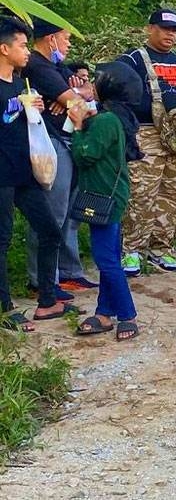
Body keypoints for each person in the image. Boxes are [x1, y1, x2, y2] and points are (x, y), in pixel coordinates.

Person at [0, 16, 77, 331]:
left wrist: (37, 109)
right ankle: (5, 310)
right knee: (2, 240)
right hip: (2, 174)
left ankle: (46, 299)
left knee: (50, 230)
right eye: (20, 45)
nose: (26, 51)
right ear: (3, 49)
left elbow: (22, 120)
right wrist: (16, 106)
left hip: (25, 172)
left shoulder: (21, 82)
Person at [117, 9, 176, 275]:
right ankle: (131, 251)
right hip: (147, 133)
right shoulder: (133, 59)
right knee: (142, 194)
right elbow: (116, 94)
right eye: (164, 28)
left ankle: (161, 249)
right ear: (149, 28)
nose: (170, 34)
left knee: (172, 194)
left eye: (174, 30)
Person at [67, 62, 143, 341]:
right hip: (113, 195)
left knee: (107, 260)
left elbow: (86, 154)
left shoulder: (106, 120)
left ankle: (128, 315)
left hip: (103, 198)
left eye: (94, 81)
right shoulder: (112, 118)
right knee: (109, 253)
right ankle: (103, 312)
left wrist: (77, 128)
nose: (91, 85)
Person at [23, 17, 92, 298]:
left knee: (69, 213)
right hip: (50, 146)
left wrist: (74, 94)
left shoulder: (57, 66)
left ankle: (67, 273)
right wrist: (74, 98)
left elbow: (87, 92)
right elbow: (80, 105)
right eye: (65, 37)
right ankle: (41, 280)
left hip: (66, 142)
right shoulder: (37, 66)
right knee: (52, 212)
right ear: (51, 38)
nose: (68, 43)